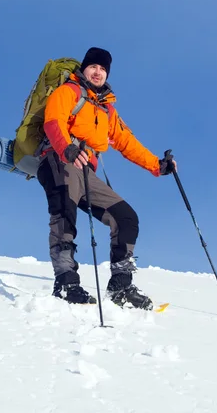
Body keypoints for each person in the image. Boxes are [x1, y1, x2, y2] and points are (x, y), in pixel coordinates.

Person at [37, 47, 177, 309]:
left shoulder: (107, 110)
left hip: (86, 170)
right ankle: (66, 282)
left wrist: (157, 166)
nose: (98, 71)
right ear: (84, 69)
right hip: (58, 158)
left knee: (126, 217)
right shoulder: (68, 91)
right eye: (93, 66)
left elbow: (126, 142)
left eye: (103, 68)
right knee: (64, 212)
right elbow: (53, 121)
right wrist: (66, 148)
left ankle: (121, 286)